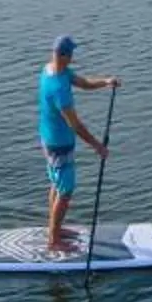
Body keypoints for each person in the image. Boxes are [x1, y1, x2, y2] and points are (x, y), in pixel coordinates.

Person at [36, 34, 118, 256]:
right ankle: (54, 241)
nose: (73, 57)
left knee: (56, 183)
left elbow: (82, 83)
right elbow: (75, 124)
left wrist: (105, 82)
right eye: (70, 54)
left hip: (48, 138)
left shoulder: (51, 70)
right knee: (66, 191)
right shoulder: (59, 90)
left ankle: (55, 230)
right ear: (62, 55)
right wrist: (97, 146)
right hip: (58, 144)